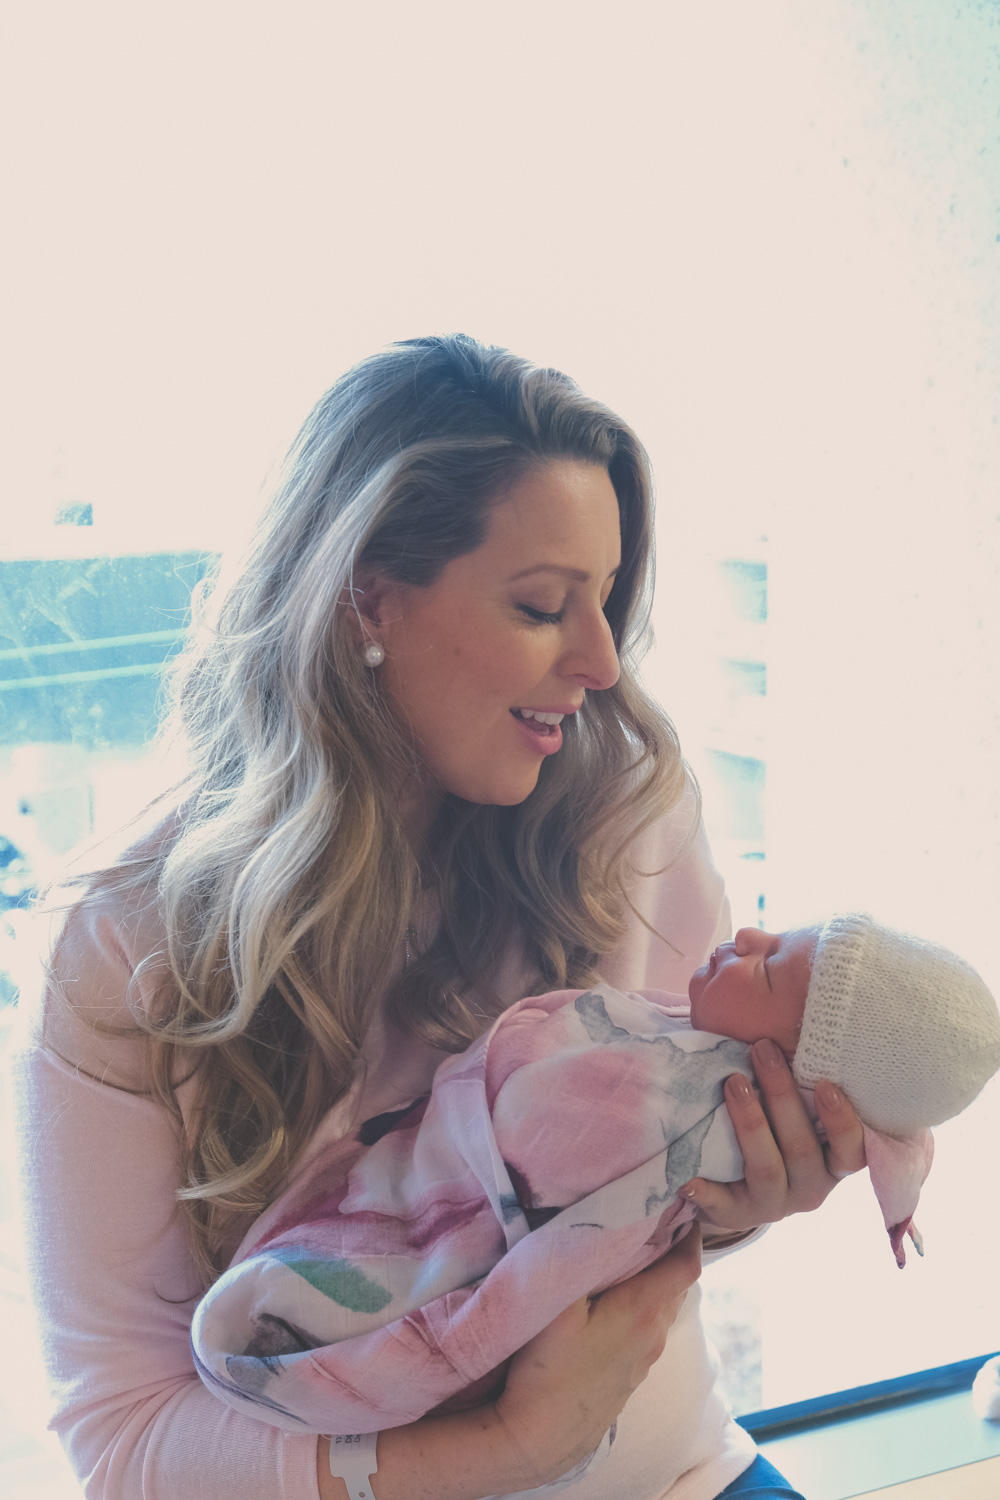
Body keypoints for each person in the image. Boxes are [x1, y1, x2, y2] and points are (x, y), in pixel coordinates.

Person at [11, 335, 868, 1500]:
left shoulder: (630, 819)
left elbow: (638, 1208)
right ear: (368, 593)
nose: (603, 662)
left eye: (607, 602)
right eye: (540, 606)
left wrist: (741, 1203)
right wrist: (502, 1454)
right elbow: (121, 1440)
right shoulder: (129, 940)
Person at [190, 913, 1000, 1438]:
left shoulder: (701, 1102)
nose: (745, 935)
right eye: (775, 935)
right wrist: (510, 1452)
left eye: (770, 969)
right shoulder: (699, 1032)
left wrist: (738, 1211)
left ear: (796, 1070)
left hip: (675, 1454)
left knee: (341, 1289)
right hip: (505, 1430)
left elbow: (577, 1187)